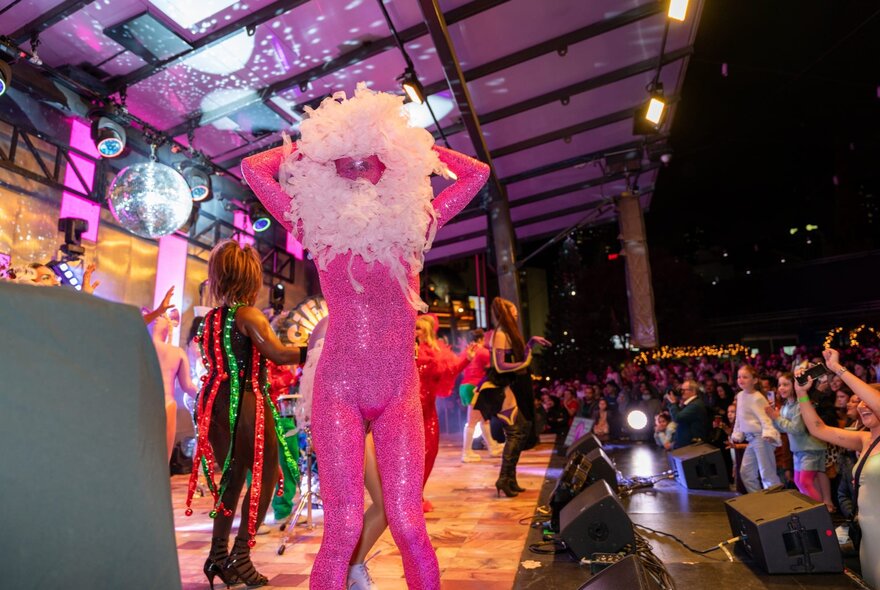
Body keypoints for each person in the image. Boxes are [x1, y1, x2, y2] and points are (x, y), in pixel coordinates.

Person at [240, 83, 489, 589]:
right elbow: (253, 169)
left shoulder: (418, 220)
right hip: (338, 389)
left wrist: (410, 145)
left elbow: (477, 173)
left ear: (388, 164)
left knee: (409, 522)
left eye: (369, 159)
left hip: (397, 389)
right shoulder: (315, 223)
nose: (357, 168)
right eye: (344, 161)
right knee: (345, 525)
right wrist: (315, 145)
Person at [183, 240, 301, 589]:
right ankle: (241, 557)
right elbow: (278, 354)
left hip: (214, 401)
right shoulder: (249, 315)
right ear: (250, 278)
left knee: (231, 479)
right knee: (266, 477)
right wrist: (320, 348)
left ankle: (218, 556)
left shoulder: (210, 320)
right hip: (247, 400)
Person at [796, 348, 880, 588]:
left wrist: (837, 369)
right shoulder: (864, 439)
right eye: (859, 402)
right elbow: (818, 429)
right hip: (867, 536)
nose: (863, 406)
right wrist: (801, 394)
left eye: (868, 401)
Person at [475, 297, 550, 497]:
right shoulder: (500, 334)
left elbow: (516, 357)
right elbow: (500, 366)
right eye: (513, 311)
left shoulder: (507, 333)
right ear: (505, 313)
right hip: (499, 388)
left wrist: (530, 343)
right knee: (517, 432)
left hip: (506, 387)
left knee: (521, 430)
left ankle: (509, 479)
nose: (516, 314)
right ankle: (503, 479)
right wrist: (523, 364)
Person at [415, 314, 468, 511]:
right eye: (415, 328)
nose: (415, 331)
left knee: (430, 451)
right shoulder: (409, 349)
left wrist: (467, 359)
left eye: (418, 328)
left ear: (427, 330)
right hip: (410, 408)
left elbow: (451, 370)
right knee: (412, 454)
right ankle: (409, 497)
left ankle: (417, 495)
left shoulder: (438, 352)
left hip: (428, 409)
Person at [765, 373, 830, 505]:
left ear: (795, 386)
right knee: (799, 482)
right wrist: (774, 417)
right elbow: (784, 429)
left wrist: (777, 418)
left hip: (810, 447)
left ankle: (820, 516)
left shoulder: (801, 404)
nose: (781, 388)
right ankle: (815, 513)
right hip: (798, 449)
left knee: (805, 482)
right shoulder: (785, 407)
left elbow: (797, 429)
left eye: (785, 384)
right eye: (779, 385)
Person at [149, 313, 198, 463]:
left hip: (142, 405)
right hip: (167, 404)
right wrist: (209, 395)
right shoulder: (177, 353)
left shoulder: (139, 348)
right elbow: (188, 386)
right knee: (163, 459)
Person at [731, 365, 781, 492]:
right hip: (751, 439)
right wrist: (737, 433)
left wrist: (769, 433)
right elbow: (739, 417)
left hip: (761, 437)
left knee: (767, 473)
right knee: (746, 473)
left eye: (745, 377)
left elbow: (765, 418)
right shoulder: (741, 395)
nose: (741, 380)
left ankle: (777, 505)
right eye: (739, 377)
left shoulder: (758, 397)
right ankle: (760, 501)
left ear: (754, 380)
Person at [458, 329, 501, 462]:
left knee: (484, 418)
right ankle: (466, 452)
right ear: (482, 338)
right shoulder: (483, 352)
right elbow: (492, 370)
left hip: (465, 386)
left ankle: (492, 446)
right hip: (475, 387)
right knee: (472, 421)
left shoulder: (465, 351)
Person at [664, 379, 708, 449]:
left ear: (693, 391)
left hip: (691, 446)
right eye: (681, 390)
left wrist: (673, 403)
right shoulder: (690, 404)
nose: (681, 392)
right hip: (686, 445)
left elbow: (677, 418)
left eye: (684, 390)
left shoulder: (695, 405)